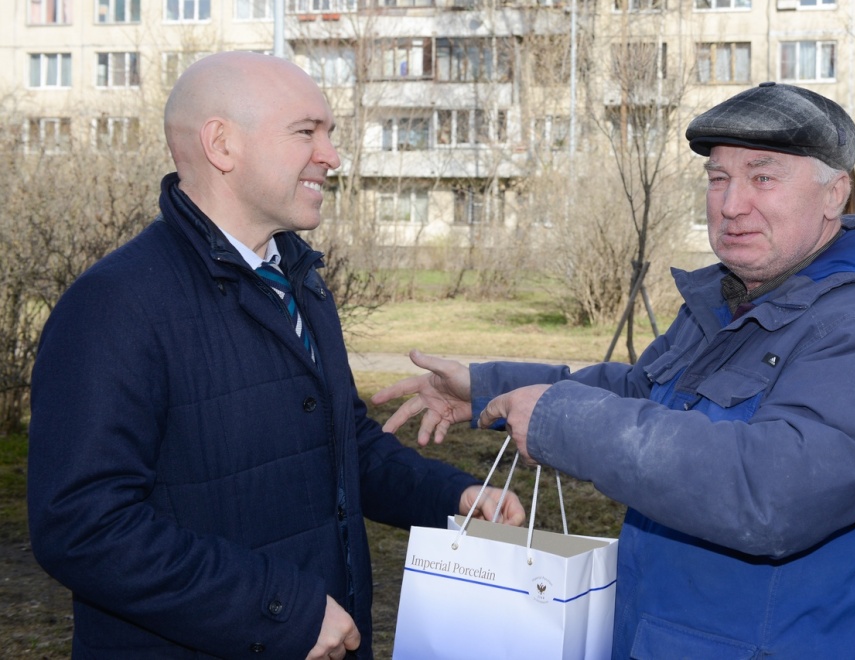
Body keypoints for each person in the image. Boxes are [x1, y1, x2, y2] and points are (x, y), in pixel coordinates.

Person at [372, 82, 855, 657]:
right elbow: (643, 393)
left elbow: (773, 494)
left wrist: (563, 422)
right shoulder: (732, 300)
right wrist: (489, 390)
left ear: (834, 194)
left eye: (763, 178)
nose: (731, 204)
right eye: (718, 179)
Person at [27, 50, 524, 659]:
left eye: (329, 133)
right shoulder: (113, 306)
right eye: (306, 132)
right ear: (222, 145)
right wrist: (282, 610)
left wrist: (451, 498)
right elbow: (83, 526)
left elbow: (339, 443)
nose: (332, 156)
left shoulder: (297, 280)